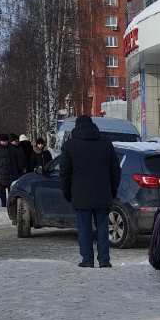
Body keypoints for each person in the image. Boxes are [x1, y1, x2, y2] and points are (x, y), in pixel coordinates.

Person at [59, 115, 121, 268]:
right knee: (102, 228)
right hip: (103, 192)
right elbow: (115, 171)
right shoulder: (106, 145)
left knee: (84, 228)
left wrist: (66, 191)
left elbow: (65, 172)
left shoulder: (69, 146)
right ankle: (104, 260)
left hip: (81, 194)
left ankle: (87, 260)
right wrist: (113, 189)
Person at [0, 133, 25, 207]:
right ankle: (3, 203)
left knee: (12, 188)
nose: (4, 143)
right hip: (0, 172)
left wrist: (19, 167)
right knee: (2, 189)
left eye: (6, 141)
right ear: (0, 141)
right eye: (3, 141)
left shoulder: (12, 148)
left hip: (12, 172)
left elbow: (17, 158)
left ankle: (11, 203)